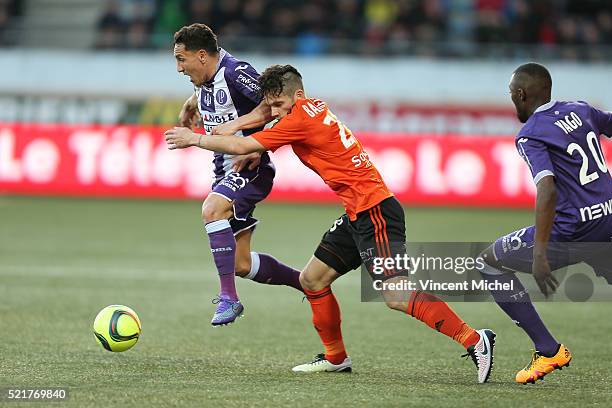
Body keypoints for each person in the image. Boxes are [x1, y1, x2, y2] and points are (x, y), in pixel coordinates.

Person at [165, 64, 496, 383]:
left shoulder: (297, 119)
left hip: (375, 211)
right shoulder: (309, 110)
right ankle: (336, 358)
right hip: (357, 212)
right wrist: (259, 145)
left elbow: (243, 143)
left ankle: (474, 339)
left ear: (297, 94)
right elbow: (279, 135)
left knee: (395, 295)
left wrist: (195, 139)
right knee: (312, 280)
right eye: (272, 105)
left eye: (279, 104)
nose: (276, 111)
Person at [478, 62, 612, 384]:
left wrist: (539, 253)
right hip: (608, 217)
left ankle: (548, 349)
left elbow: (547, 188)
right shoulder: (581, 110)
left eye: (512, 95)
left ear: (521, 94)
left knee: (488, 263)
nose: (512, 101)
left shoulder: (530, 134)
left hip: (574, 229)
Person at [172, 24, 303, 326]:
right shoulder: (205, 76)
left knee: (212, 209)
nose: (179, 68)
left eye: (182, 59)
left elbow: (275, 103)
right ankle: (305, 282)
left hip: (250, 167)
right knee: (242, 264)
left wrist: (250, 139)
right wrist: (192, 103)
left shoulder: (235, 71)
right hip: (223, 171)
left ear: (202, 56)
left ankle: (229, 298)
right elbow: (210, 93)